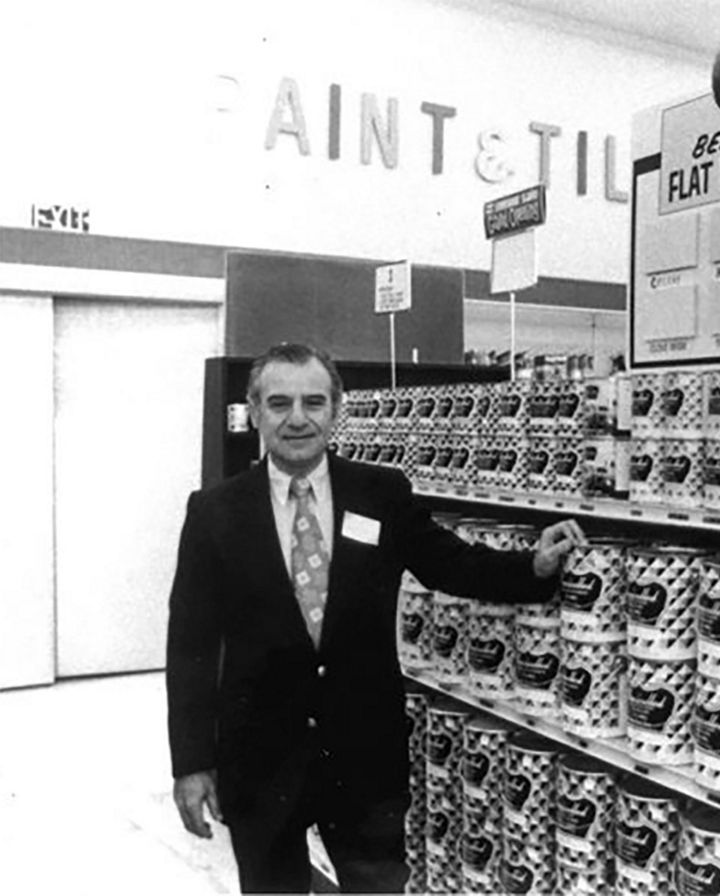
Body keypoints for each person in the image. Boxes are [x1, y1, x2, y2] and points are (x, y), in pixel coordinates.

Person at [166, 342, 585, 893]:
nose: (297, 419)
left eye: (313, 402)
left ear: (336, 410)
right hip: (260, 763)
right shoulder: (215, 511)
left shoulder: (380, 492)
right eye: (279, 403)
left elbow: (450, 563)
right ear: (254, 411)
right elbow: (190, 645)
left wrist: (534, 565)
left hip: (363, 756)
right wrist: (191, 764)